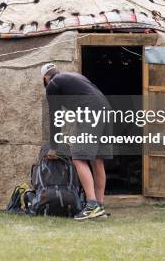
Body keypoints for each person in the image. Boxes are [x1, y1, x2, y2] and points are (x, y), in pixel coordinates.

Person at [41, 62, 112, 220]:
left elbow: (55, 117)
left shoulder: (52, 85)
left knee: (79, 158)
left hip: (90, 113)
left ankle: (92, 205)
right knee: (97, 160)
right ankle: (99, 206)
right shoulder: (74, 77)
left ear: (45, 78)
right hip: (106, 111)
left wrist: (54, 146)